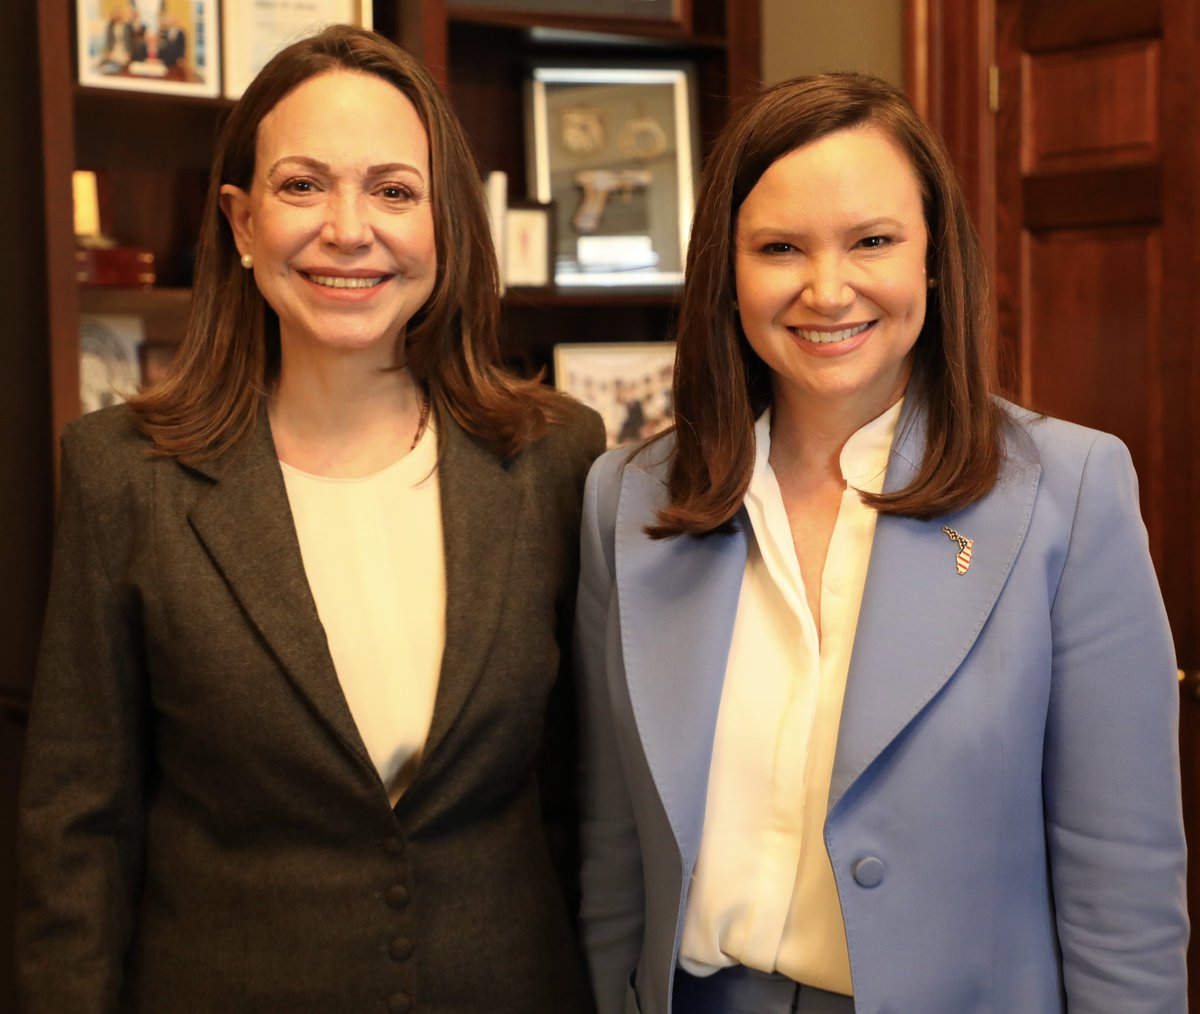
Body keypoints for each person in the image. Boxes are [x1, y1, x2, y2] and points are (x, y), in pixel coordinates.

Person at [574, 72, 1188, 1014]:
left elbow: (1122, 880)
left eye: (872, 241)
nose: (828, 290)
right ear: (725, 272)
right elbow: (613, 845)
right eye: (780, 248)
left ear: (933, 260)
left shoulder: (1067, 491)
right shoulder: (629, 498)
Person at [18, 25, 603, 1013]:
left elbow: (589, 802)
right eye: (302, 186)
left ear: (445, 222)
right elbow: (77, 836)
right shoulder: (125, 477)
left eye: (393, 190)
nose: (348, 227)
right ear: (242, 224)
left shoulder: (557, 459)